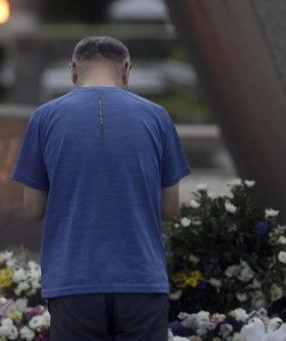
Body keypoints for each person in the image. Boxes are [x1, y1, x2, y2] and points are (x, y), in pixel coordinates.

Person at [11, 36, 191, 340]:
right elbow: (171, 209)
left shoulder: (44, 118)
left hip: (72, 279)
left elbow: (33, 208)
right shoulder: (157, 116)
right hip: (141, 278)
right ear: (127, 70)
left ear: (73, 71)